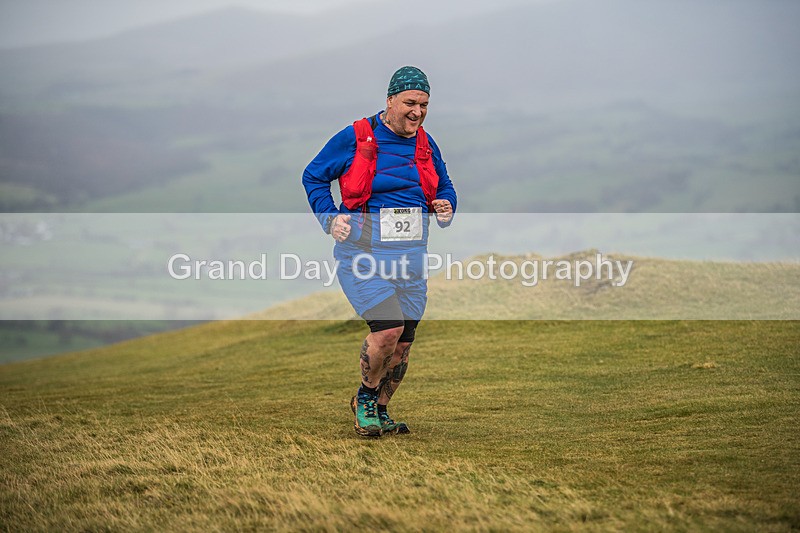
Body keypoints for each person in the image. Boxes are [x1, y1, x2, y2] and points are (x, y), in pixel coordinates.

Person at [302, 66, 457, 437]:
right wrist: (330, 217)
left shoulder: (425, 143)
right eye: (409, 103)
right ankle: (365, 400)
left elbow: (446, 187)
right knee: (388, 330)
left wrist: (447, 206)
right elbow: (313, 175)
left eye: (424, 104)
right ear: (390, 100)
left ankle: (381, 410)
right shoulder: (355, 137)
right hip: (363, 257)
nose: (417, 112)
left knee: (403, 344)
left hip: (411, 260)